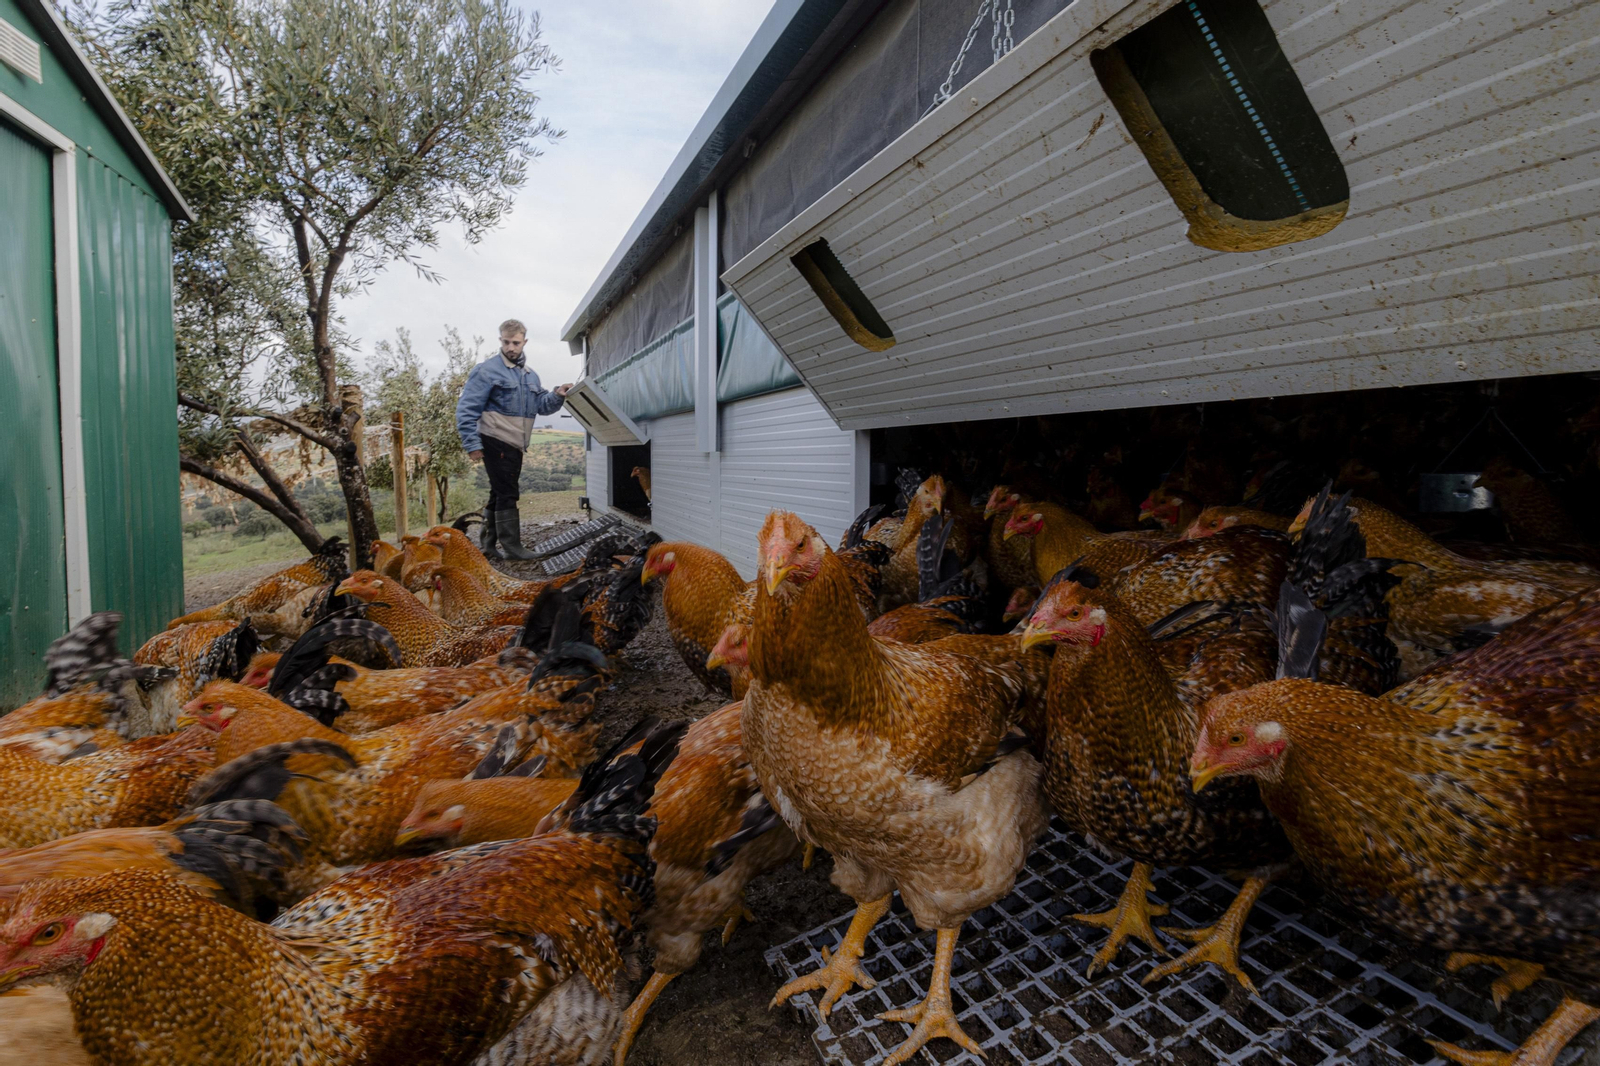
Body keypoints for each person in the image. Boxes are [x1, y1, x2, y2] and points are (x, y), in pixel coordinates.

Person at [455, 319, 572, 560]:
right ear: (501, 341)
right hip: (494, 439)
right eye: (507, 342)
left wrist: (557, 395)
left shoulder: (530, 376)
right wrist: (472, 445)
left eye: (516, 343)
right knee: (508, 492)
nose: (511, 347)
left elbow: (541, 406)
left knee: (499, 492)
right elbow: (466, 409)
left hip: (515, 444)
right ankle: (512, 547)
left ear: (524, 342)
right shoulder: (487, 371)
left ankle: (488, 545)